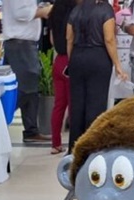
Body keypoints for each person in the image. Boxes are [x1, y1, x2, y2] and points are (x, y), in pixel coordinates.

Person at [66, 0, 126, 151]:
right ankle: (92, 147)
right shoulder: (105, 9)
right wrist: (118, 64)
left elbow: (69, 38)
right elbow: (109, 39)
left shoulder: (76, 10)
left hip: (77, 56)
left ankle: (74, 147)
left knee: (77, 104)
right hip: (98, 57)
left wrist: (72, 59)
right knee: (96, 104)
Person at [3, 0, 54, 142]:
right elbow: (21, 12)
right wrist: (43, 12)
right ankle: (1, 117)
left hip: (25, 43)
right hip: (20, 43)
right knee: (26, 87)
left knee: (31, 85)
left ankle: (31, 130)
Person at [48, 0, 74, 154]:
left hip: (58, 61)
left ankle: (55, 144)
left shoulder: (54, 12)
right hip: (70, 60)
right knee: (73, 105)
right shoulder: (75, 12)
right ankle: (74, 143)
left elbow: (51, 40)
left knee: (59, 105)